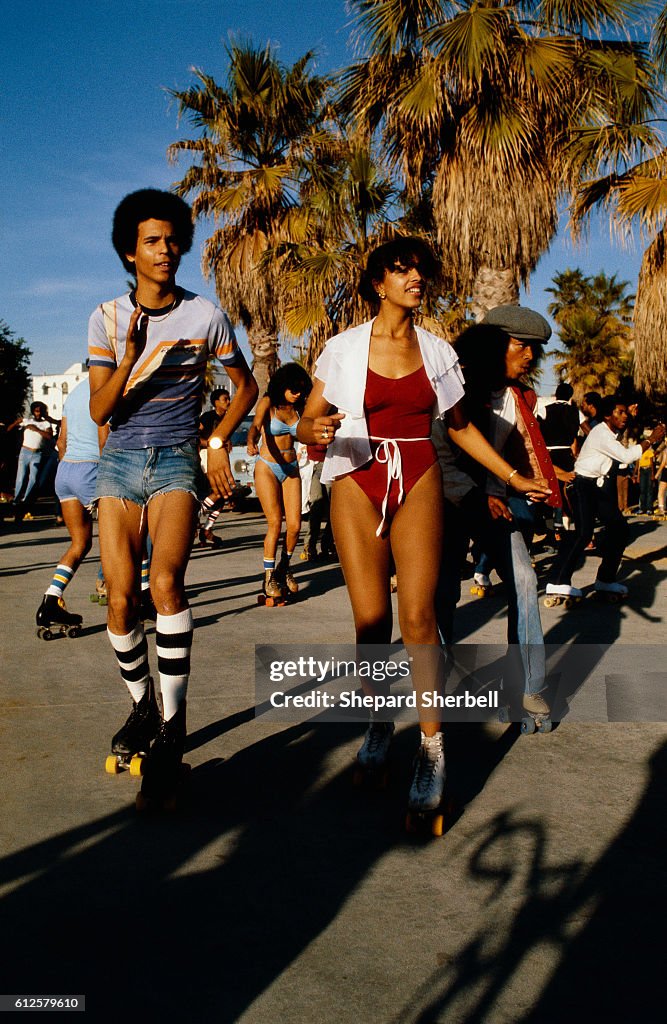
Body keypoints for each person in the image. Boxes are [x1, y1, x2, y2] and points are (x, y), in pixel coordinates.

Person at [297, 238, 549, 818]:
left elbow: (459, 428)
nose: (414, 278)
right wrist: (309, 432)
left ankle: (432, 747)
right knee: (369, 621)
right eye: (401, 270)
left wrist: (514, 476)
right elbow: (311, 417)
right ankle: (379, 727)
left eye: (419, 270)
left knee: (418, 617)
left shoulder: (437, 352)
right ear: (377, 283)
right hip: (356, 476)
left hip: (417, 474)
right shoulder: (342, 348)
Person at [88, 188, 258, 805]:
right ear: (130, 253)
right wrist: (131, 353)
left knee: (165, 585)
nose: (166, 251)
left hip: (177, 461)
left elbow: (247, 383)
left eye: (171, 240)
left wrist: (216, 441)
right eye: (151, 242)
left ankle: (173, 725)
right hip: (120, 462)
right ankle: (144, 707)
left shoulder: (205, 315)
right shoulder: (105, 317)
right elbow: (100, 408)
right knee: (118, 597)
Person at [433, 309, 561, 730]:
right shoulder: (452, 384)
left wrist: (500, 489)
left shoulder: (519, 396)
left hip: (490, 500)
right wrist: (478, 494)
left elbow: (505, 454)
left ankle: (524, 687)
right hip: (444, 500)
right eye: (521, 345)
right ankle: (434, 690)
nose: (530, 356)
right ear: (492, 344)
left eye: (534, 348)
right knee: (443, 593)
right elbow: (440, 451)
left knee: (524, 580)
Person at [546, 396, 665, 601]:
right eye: (619, 412)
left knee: (619, 528)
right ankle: (557, 582)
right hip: (581, 485)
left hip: (596, 486)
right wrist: (652, 438)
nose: (624, 416)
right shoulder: (601, 433)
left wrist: (634, 417)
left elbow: (622, 432)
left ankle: (605, 580)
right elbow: (627, 456)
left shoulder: (611, 431)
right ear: (607, 415)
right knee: (583, 533)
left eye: (625, 412)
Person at [35, 377, 109, 635]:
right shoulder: (107, 387)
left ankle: (51, 600)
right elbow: (105, 440)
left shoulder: (75, 393)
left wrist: (70, 471)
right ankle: (137, 599)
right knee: (126, 537)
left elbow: (62, 442)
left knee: (80, 543)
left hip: (65, 472)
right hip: (91, 467)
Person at [247, 363, 312, 598]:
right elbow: (255, 425)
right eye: (293, 389)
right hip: (267, 467)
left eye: (301, 390)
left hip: (291, 467)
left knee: (295, 526)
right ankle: (269, 577)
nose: (297, 393)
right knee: (275, 523)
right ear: (282, 385)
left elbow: (309, 430)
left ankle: (284, 568)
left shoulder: (300, 408)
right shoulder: (269, 403)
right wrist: (251, 440)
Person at [8, 402, 54, 521]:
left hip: (37, 453)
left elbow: (49, 437)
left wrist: (36, 429)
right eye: (36, 410)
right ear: (33, 411)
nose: (38, 413)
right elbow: (9, 429)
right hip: (25, 451)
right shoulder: (28, 421)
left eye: (40, 411)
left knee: (33, 479)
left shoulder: (46, 423)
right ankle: (16, 499)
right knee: (21, 477)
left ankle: (26, 500)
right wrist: (16, 423)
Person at [198, 387, 231, 547]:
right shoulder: (207, 417)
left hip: (223, 459)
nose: (228, 402)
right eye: (225, 399)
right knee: (220, 491)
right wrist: (212, 445)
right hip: (206, 458)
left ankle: (207, 528)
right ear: (216, 402)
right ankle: (195, 516)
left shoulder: (229, 418)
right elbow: (196, 437)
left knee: (224, 495)